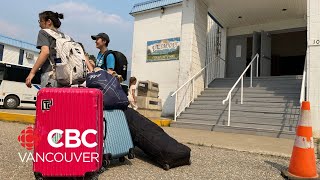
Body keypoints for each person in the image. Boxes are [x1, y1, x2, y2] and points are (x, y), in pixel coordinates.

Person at [25, 11, 65, 88]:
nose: (39, 24)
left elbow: (45, 52)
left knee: (47, 100)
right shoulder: (64, 36)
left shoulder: (43, 32)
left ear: (49, 22)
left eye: (40, 21)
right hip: (64, 77)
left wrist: (32, 73)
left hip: (50, 75)